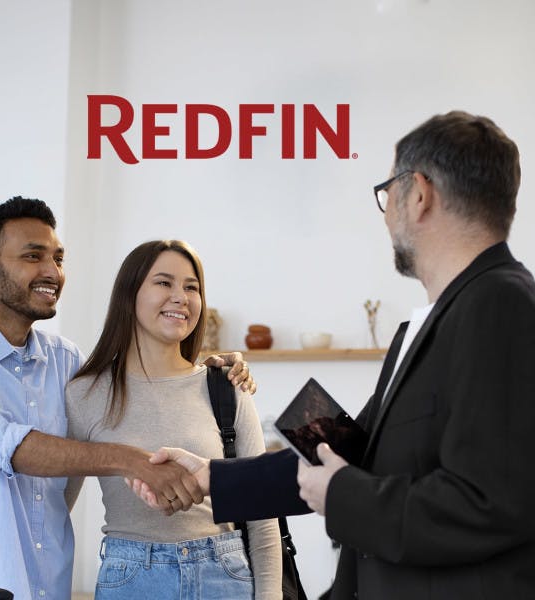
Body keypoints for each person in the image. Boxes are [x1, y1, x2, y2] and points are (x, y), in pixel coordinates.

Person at [133, 111, 535, 599]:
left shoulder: (501, 302)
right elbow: (346, 445)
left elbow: (491, 502)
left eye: (388, 196)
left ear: (420, 194)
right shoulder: (427, 322)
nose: (387, 215)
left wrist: (343, 496)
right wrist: (213, 475)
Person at [0, 197, 254, 599]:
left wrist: (211, 370)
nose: (52, 272)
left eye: (58, 258)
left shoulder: (65, 360)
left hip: (48, 585)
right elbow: (7, 446)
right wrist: (133, 460)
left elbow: (136, 384)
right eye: (33, 256)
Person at [64, 240, 282, 599]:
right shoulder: (85, 394)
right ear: (129, 293)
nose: (181, 297)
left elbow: (263, 514)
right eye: (164, 283)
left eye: (191, 287)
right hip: (130, 581)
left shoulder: (227, 387)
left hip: (223, 576)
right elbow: (57, 511)